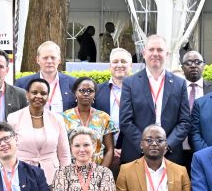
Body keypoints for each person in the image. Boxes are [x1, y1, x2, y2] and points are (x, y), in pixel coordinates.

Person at [119, 34, 190, 164]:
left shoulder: (179, 84)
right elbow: (125, 121)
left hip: (170, 155)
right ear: (144, 53)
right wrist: (145, 145)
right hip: (136, 154)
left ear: (167, 54)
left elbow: (184, 122)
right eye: (151, 49)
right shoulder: (130, 83)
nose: (155, 53)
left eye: (160, 50)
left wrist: (166, 145)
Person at [8, 78, 70, 185]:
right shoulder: (13, 118)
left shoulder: (57, 119)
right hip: (21, 175)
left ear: (48, 96)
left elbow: (64, 154)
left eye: (43, 93)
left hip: (52, 178)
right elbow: (8, 151)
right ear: (27, 95)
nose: (39, 96)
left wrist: (65, 179)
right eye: (34, 92)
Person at [62, 77, 117, 168]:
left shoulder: (104, 118)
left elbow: (110, 150)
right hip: (71, 169)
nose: (86, 94)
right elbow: (60, 150)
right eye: (82, 90)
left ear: (94, 94)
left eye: (90, 91)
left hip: (98, 169)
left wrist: (101, 174)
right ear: (75, 93)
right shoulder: (64, 118)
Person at [95, 47, 132, 166]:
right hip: (103, 154)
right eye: (115, 62)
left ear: (130, 66)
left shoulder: (141, 91)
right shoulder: (97, 91)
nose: (119, 65)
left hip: (132, 153)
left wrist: (126, 148)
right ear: (109, 66)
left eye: (123, 61)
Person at [15, 41, 77, 113]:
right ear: (37, 60)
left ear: (59, 60)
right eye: (45, 58)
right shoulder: (22, 84)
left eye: (53, 57)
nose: (49, 61)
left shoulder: (73, 83)